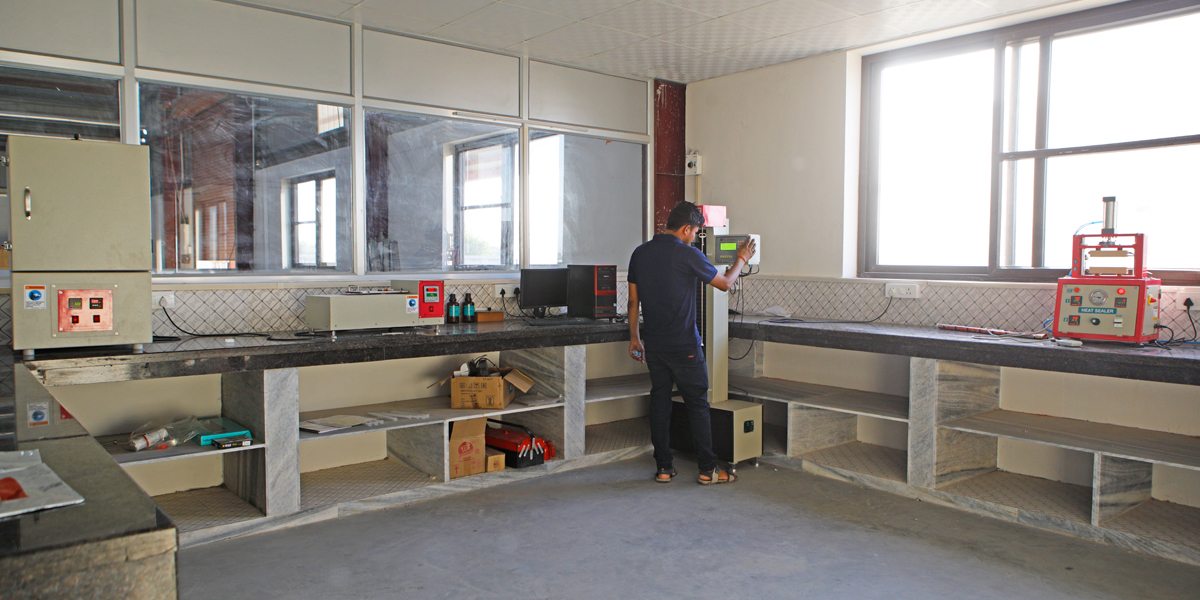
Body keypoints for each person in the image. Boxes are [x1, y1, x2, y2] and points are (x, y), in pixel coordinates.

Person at [626, 202, 757, 485]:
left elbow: (633, 301)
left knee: (660, 404)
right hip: (684, 346)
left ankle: (664, 468)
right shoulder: (688, 254)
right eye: (696, 232)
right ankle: (708, 470)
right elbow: (724, 283)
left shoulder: (640, 253)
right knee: (697, 406)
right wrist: (742, 259)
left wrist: (635, 337)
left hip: (654, 346)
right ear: (686, 228)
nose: (695, 236)